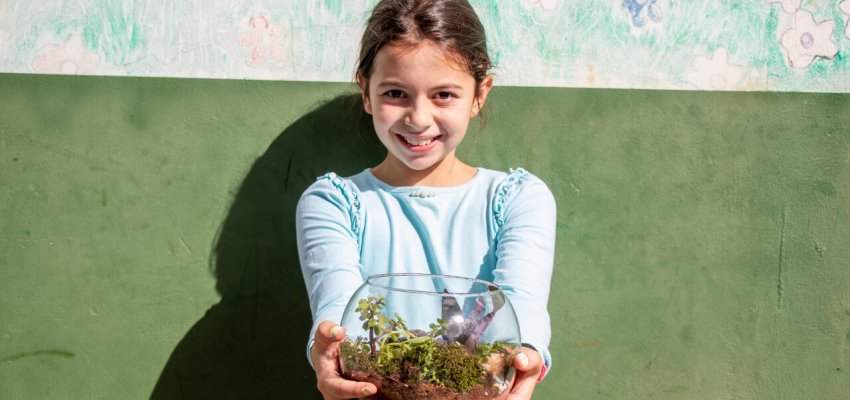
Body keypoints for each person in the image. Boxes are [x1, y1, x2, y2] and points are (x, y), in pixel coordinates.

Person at [295, 1, 556, 398]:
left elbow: (522, 308)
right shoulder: (334, 203)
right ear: (365, 91)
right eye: (396, 93)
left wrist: (527, 356)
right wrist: (327, 351)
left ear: (479, 94)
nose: (418, 118)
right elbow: (337, 305)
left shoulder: (519, 199)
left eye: (444, 95)